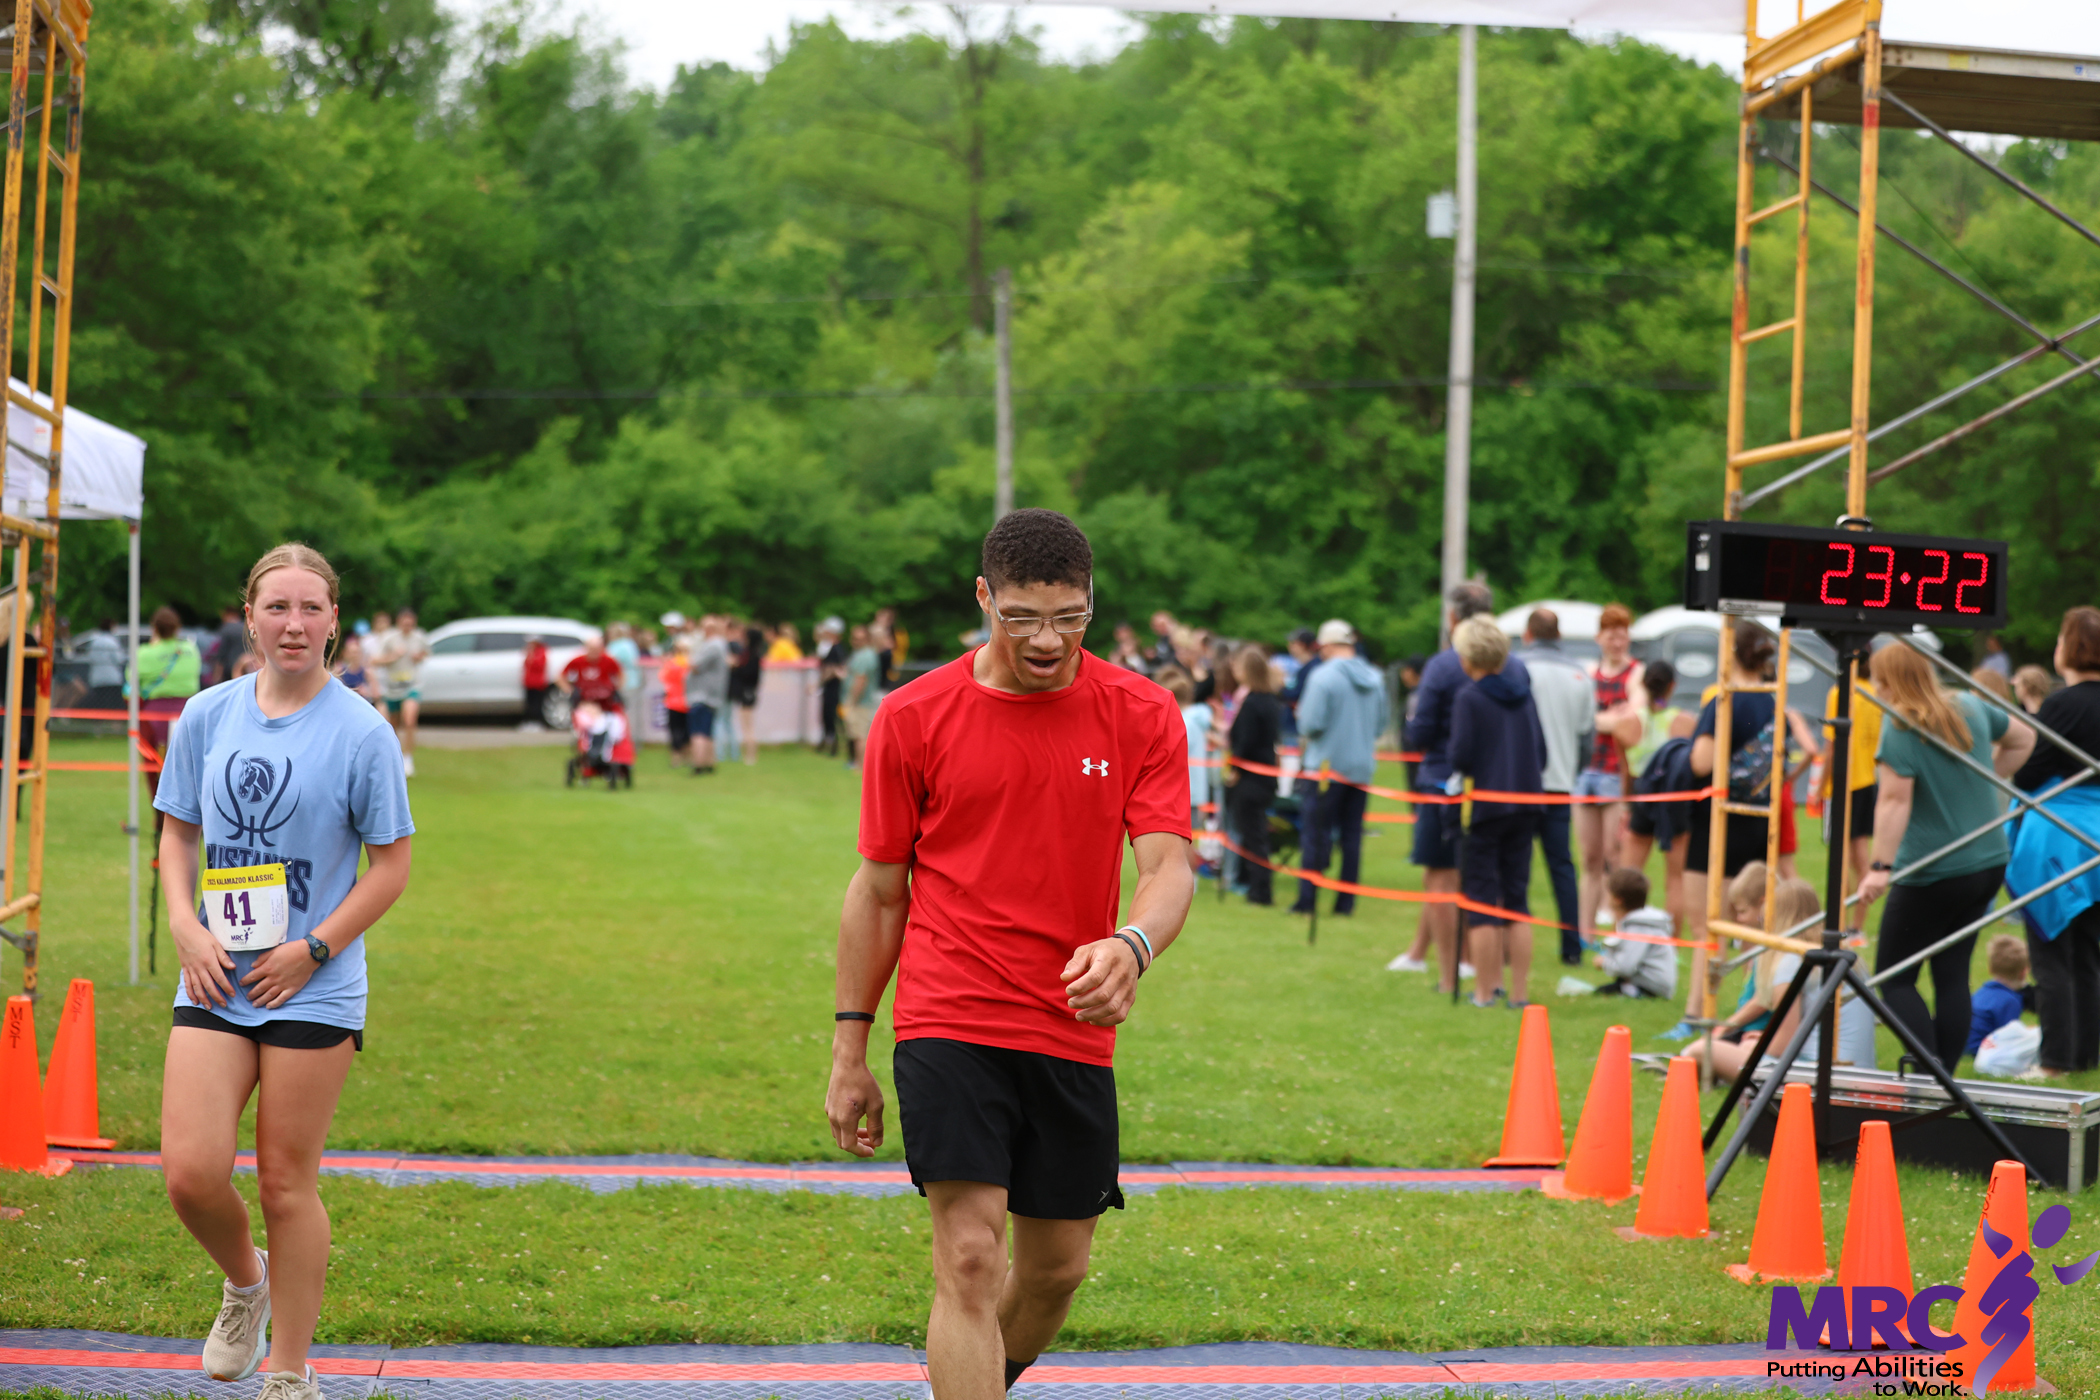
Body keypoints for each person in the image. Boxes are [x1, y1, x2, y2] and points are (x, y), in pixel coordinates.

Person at [825, 508, 1193, 1400]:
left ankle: (971, 1379)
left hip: (1070, 1021)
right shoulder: (913, 716)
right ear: (984, 598)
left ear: (1092, 602)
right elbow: (879, 892)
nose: (1048, 640)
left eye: (1071, 617)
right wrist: (849, 1049)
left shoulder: (1142, 711)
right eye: (1023, 617)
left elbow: (1168, 866)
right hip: (948, 1012)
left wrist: (1132, 944)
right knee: (969, 1255)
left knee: (1057, 1270)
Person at [155, 543, 413, 1400]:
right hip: (216, 976)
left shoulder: (363, 732)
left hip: (312, 983)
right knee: (191, 1173)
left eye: (310, 608)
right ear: (250, 617)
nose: (293, 624)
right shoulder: (207, 715)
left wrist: (315, 949)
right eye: (277, 607)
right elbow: (178, 834)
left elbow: (390, 868)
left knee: (283, 1181)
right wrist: (184, 924)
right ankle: (246, 1283)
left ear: (334, 620)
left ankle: (291, 1374)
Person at [1855, 642, 2034, 1071]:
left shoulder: (1901, 725)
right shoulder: (1969, 705)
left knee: (1894, 978)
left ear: (1891, 682)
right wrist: (1989, 777)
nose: (1876, 690)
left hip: (1934, 870)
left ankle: (1931, 1074)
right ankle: (1943, 1078)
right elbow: (2024, 737)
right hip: (1988, 861)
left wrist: (1879, 867)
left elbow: (1894, 801)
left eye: (1879, 682)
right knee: (1951, 973)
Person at [1665, 623, 1779, 1041]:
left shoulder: (1724, 699)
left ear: (1730, 653)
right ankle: (1749, 1013)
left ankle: (1695, 1015)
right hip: (1760, 823)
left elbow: (1701, 762)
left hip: (1717, 823)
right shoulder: (1775, 700)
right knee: (1751, 930)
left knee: (1706, 929)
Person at [1402, 582, 1510, 995]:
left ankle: (1450, 977)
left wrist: (1416, 731)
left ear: (1452, 617)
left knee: (1441, 879)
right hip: (1497, 785)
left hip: (1444, 781)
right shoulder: (1512, 664)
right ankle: (1486, 975)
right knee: (1485, 880)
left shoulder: (1445, 665)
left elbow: (1421, 730)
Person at [2008, 606, 2100, 1076]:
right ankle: (2086, 1055)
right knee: (2088, 954)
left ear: (2072, 647)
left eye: (2061, 639)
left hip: (2060, 839)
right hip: (2097, 839)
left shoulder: (2062, 704)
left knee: (2051, 952)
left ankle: (2056, 1060)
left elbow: (2029, 774)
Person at [1446, 616, 1547, 1008]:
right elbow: (1541, 753)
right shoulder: (1525, 696)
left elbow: (1460, 755)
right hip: (1527, 803)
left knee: (1483, 899)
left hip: (1486, 806)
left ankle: (1485, 990)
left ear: (1467, 658)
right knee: (1517, 898)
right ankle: (1519, 992)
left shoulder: (1469, 698)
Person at [1289, 619, 1388, 919]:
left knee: (1315, 833)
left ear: (1327, 646)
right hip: (1361, 767)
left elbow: (1309, 724)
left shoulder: (1323, 676)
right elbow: (1381, 725)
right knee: (1352, 837)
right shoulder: (1375, 677)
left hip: (1325, 767)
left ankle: (1308, 899)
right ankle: (1346, 902)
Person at [1514, 608, 1594, 966]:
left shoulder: (1517, 668)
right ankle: (1571, 946)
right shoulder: (1579, 674)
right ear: (1559, 636)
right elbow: (1586, 737)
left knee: (1517, 866)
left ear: (1528, 634)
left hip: (1519, 784)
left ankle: (1510, 943)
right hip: (1560, 783)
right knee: (1562, 867)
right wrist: (1570, 771)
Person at [1686, 869, 1815, 1082]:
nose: (1738, 919)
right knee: (1713, 1050)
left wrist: (1729, 1026)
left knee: (1696, 1052)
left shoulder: (1788, 959)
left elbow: (1779, 1039)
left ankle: (1703, 1075)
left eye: (1743, 911)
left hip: (1807, 1068)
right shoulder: (1808, 955)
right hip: (1811, 1060)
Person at [1576, 604, 1642, 943]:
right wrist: (1608, 718)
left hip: (1616, 774)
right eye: (1611, 636)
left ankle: (1620, 934)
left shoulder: (1636, 673)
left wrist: (1604, 719)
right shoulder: (1589, 673)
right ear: (1599, 638)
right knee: (1589, 858)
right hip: (1585, 772)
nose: (1617, 643)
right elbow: (1582, 719)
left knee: (1615, 856)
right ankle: (1584, 935)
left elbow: (1631, 721)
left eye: (1622, 636)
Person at [1620, 661, 1696, 936]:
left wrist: (1626, 806)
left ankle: (1625, 937)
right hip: (1675, 798)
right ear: (1672, 687)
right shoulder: (1686, 722)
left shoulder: (1625, 724)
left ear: (1643, 686)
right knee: (1675, 879)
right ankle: (1671, 945)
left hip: (1643, 796)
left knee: (1629, 875)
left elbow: (1626, 773)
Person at [1823, 648, 1884, 933]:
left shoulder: (1840, 693)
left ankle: (1838, 924)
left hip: (1844, 784)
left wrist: (1819, 787)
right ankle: (1856, 927)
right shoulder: (1873, 693)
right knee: (1860, 859)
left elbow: (1832, 745)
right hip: (1867, 782)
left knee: (1842, 861)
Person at [1225, 646, 1283, 907]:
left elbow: (1245, 742)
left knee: (1253, 835)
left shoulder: (1251, 703)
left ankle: (1260, 890)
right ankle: (1254, 885)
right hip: (1265, 777)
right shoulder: (1270, 700)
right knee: (1255, 833)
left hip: (1250, 778)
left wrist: (1234, 770)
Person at [135, 606, 204, 799]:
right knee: (190, 770)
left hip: (154, 716)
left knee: (154, 770)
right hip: (186, 712)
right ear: (177, 628)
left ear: (154, 628)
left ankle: (160, 814)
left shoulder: (144, 653)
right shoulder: (190, 649)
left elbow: (130, 685)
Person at [1593, 866, 1678, 1001]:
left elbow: (1626, 967)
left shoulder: (1639, 927)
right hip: (1649, 983)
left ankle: (1627, 990)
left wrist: (1604, 963)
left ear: (1617, 900)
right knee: (1601, 991)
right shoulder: (1637, 921)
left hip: (1652, 987)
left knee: (1601, 993)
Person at [374, 608, 428, 779]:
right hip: (392, 688)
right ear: (399, 622)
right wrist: (392, 657)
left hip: (411, 686)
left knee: (409, 719)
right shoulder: (389, 638)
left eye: (410, 624)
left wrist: (419, 656)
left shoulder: (419, 637)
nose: (407, 626)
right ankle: (396, 758)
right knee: (393, 726)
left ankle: (408, 757)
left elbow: (426, 652)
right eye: (405, 623)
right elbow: (375, 660)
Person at [1966, 934, 2034, 1059]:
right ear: (2023, 973)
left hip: (1964, 1045)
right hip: (1980, 1049)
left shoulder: (1982, 992)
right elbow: (2008, 1037)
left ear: (1990, 968)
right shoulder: (2010, 1001)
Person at [686, 616, 730, 775]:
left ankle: (698, 764)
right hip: (711, 695)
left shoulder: (712, 645)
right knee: (708, 731)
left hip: (703, 695)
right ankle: (709, 762)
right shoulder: (720, 645)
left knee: (698, 731)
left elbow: (695, 664)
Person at [842, 624, 883, 770]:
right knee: (856, 734)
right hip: (860, 702)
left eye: (860, 639)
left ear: (867, 639)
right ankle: (857, 763)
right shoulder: (860, 654)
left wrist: (852, 701)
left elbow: (861, 680)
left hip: (861, 702)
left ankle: (860, 766)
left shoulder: (866, 656)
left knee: (861, 735)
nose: (856, 641)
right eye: (854, 638)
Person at [560, 632, 624, 710]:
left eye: (597, 649)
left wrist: (616, 687)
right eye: (592, 649)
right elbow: (561, 676)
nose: (594, 652)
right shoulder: (578, 661)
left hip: (605, 699)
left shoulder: (609, 661)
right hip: (585, 700)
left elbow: (621, 674)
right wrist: (569, 690)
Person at [729, 622, 763, 765]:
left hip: (746, 693)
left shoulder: (750, 655)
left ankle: (750, 756)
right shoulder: (753, 654)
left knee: (747, 726)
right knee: (747, 726)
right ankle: (749, 755)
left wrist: (735, 666)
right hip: (749, 692)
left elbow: (746, 673)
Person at [815, 618, 848, 756]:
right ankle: (828, 743)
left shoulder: (836, 649)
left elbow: (832, 669)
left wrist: (818, 683)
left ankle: (833, 745)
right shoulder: (833, 648)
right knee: (827, 716)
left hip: (833, 689)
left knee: (831, 716)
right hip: (830, 688)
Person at [660, 641, 692, 767]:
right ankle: (687, 756)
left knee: (674, 731)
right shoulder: (689, 663)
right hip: (687, 701)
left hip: (672, 701)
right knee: (687, 731)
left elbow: (663, 678)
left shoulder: (670, 664)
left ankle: (676, 758)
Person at [212, 605, 248, 686]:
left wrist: (217, 675)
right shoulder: (247, 628)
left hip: (228, 670)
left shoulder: (226, 629)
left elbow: (221, 653)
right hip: (245, 668)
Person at [521, 636, 550, 730]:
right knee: (529, 703)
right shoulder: (529, 652)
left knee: (538, 704)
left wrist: (531, 655)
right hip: (529, 683)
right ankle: (529, 721)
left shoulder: (541, 652)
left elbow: (539, 665)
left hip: (538, 683)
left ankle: (538, 722)